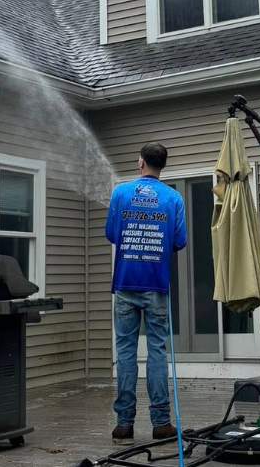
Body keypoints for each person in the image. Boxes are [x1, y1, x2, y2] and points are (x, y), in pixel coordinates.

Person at [105, 141, 187, 444]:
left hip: (125, 284)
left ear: (141, 162)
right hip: (156, 284)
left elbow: (111, 233)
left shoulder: (120, 193)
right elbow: (180, 241)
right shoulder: (173, 198)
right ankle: (161, 423)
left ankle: (124, 426)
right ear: (162, 165)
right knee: (156, 351)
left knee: (125, 352)